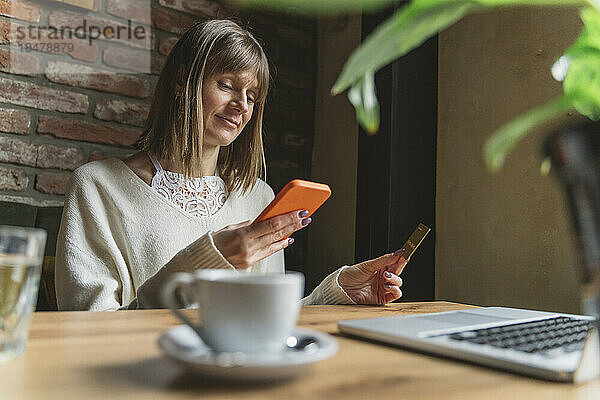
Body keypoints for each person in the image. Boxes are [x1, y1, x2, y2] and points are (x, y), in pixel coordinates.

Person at [55, 19, 409, 311]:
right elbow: (90, 330)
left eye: (251, 96)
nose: (241, 105)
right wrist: (208, 260)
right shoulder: (97, 187)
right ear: (182, 82)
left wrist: (338, 293)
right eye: (226, 85)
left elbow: (265, 318)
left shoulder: (257, 195)